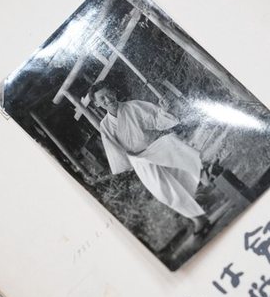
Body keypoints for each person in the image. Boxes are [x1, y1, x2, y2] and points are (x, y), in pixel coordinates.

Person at [88, 80, 212, 234]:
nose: (108, 99)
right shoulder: (105, 125)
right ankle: (197, 218)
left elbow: (155, 119)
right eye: (102, 98)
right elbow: (114, 149)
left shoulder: (133, 106)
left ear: (114, 92)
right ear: (97, 104)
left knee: (172, 144)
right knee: (163, 190)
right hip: (138, 159)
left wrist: (164, 110)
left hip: (154, 148)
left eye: (108, 94)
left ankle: (204, 174)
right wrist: (126, 166)